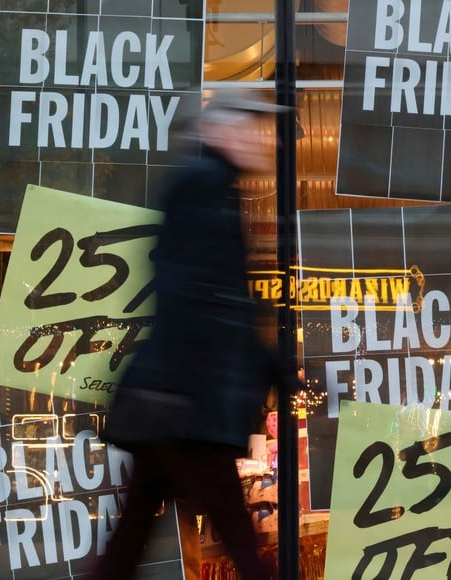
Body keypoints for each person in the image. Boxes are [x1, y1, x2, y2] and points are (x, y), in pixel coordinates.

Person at [92, 89, 293, 580]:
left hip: (176, 400)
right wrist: (264, 362)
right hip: (188, 403)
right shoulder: (205, 188)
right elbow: (200, 295)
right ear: (216, 131)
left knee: (131, 537)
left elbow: (204, 295)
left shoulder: (213, 188)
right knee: (239, 542)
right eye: (248, 128)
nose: (260, 140)